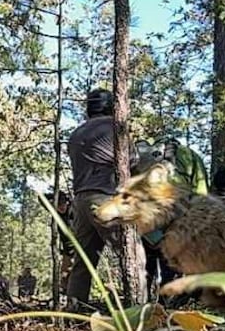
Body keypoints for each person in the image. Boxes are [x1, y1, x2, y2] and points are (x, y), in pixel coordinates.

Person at [66, 89, 144, 310]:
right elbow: (132, 163)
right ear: (112, 106)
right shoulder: (115, 127)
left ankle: (73, 312)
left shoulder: (76, 134)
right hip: (106, 200)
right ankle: (141, 311)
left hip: (80, 202)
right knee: (133, 256)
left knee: (83, 263)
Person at [134, 138, 210, 290]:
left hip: (146, 221)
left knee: (146, 267)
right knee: (169, 266)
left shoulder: (142, 155)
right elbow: (201, 193)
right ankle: (167, 305)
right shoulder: (191, 156)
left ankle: (141, 303)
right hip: (174, 221)